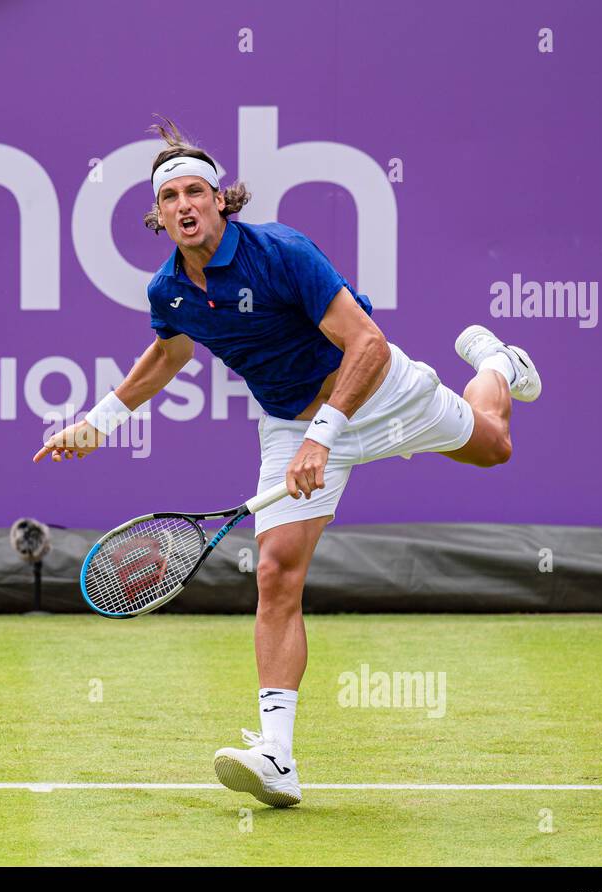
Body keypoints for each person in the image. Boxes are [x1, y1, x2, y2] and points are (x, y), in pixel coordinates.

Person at [32, 118, 540, 807]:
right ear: (159, 215)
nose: (184, 206)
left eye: (195, 192)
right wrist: (98, 423)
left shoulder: (281, 252)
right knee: (275, 571)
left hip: (381, 395)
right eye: (170, 198)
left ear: (220, 200)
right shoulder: (169, 291)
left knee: (493, 446)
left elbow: (369, 344)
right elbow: (169, 354)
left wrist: (324, 436)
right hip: (288, 425)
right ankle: (277, 756)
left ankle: (493, 364)